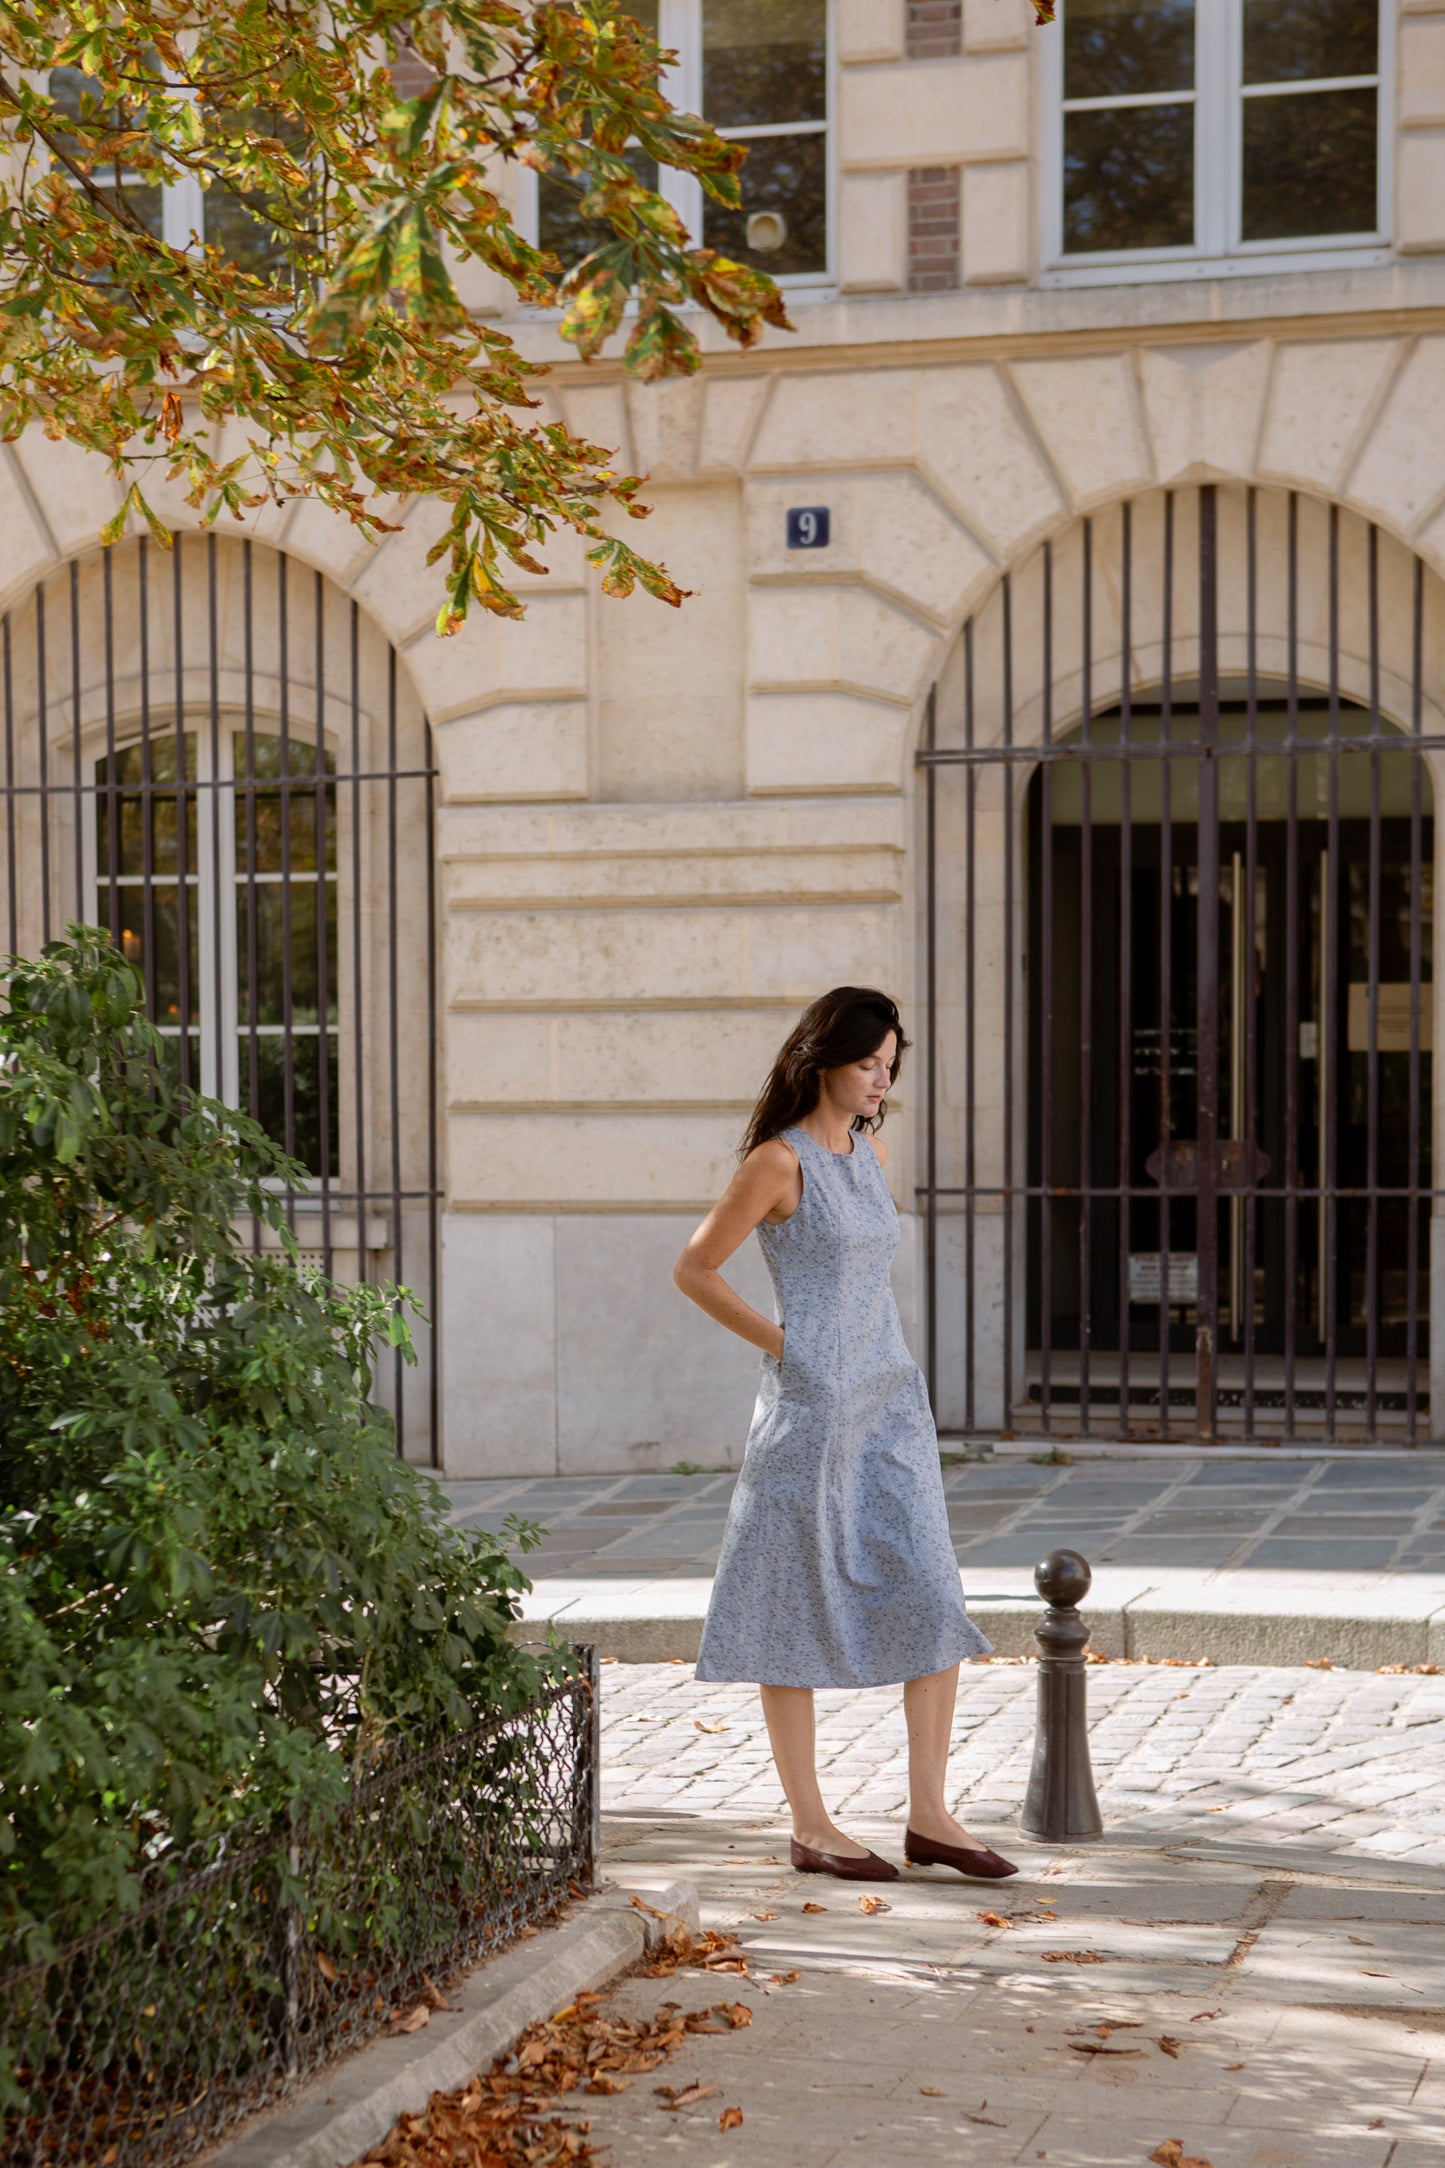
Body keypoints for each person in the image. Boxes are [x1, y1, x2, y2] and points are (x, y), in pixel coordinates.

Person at [674, 987, 1015, 1885]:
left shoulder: (870, 1151)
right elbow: (695, 1268)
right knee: (787, 1604)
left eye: (890, 1065)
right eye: (869, 1063)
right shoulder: (776, 1164)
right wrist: (789, 1347)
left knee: (933, 1593)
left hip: (891, 1406)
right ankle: (812, 1825)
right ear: (826, 1060)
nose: (881, 1079)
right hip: (809, 1413)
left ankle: (931, 1815)